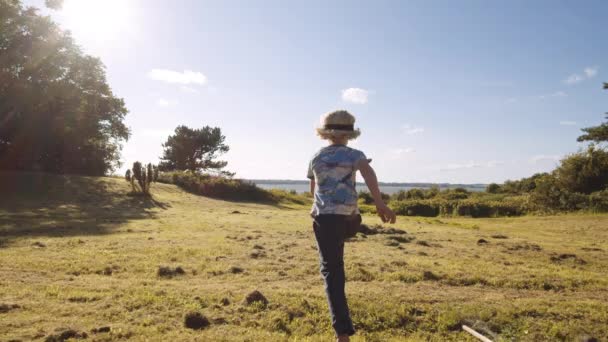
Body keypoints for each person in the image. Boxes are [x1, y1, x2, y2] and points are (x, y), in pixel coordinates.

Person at [307, 110, 397, 342]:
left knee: (332, 271)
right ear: (349, 133)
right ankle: (348, 230)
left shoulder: (316, 156)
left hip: (325, 219)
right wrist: (380, 203)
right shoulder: (355, 155)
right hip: (350, 219)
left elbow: (313, 188)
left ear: (326, 133)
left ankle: (342, 334)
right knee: (345, 237)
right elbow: (368, 172)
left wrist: (317, 206)